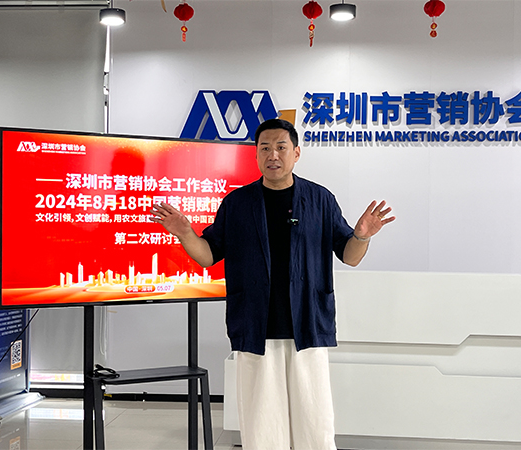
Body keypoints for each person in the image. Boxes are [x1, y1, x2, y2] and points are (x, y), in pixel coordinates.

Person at [150, 118, 395, 450]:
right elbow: (208, 256)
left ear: (296, 153)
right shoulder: (237, 204)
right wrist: (185, 233)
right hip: (255, 325)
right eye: (265, 148)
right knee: (262, 424)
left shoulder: (320, 199)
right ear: (256, 155)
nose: (273, 155)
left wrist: (362, 236)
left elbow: (349, 256)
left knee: (314, 420)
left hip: (307, 324)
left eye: (281, 147)